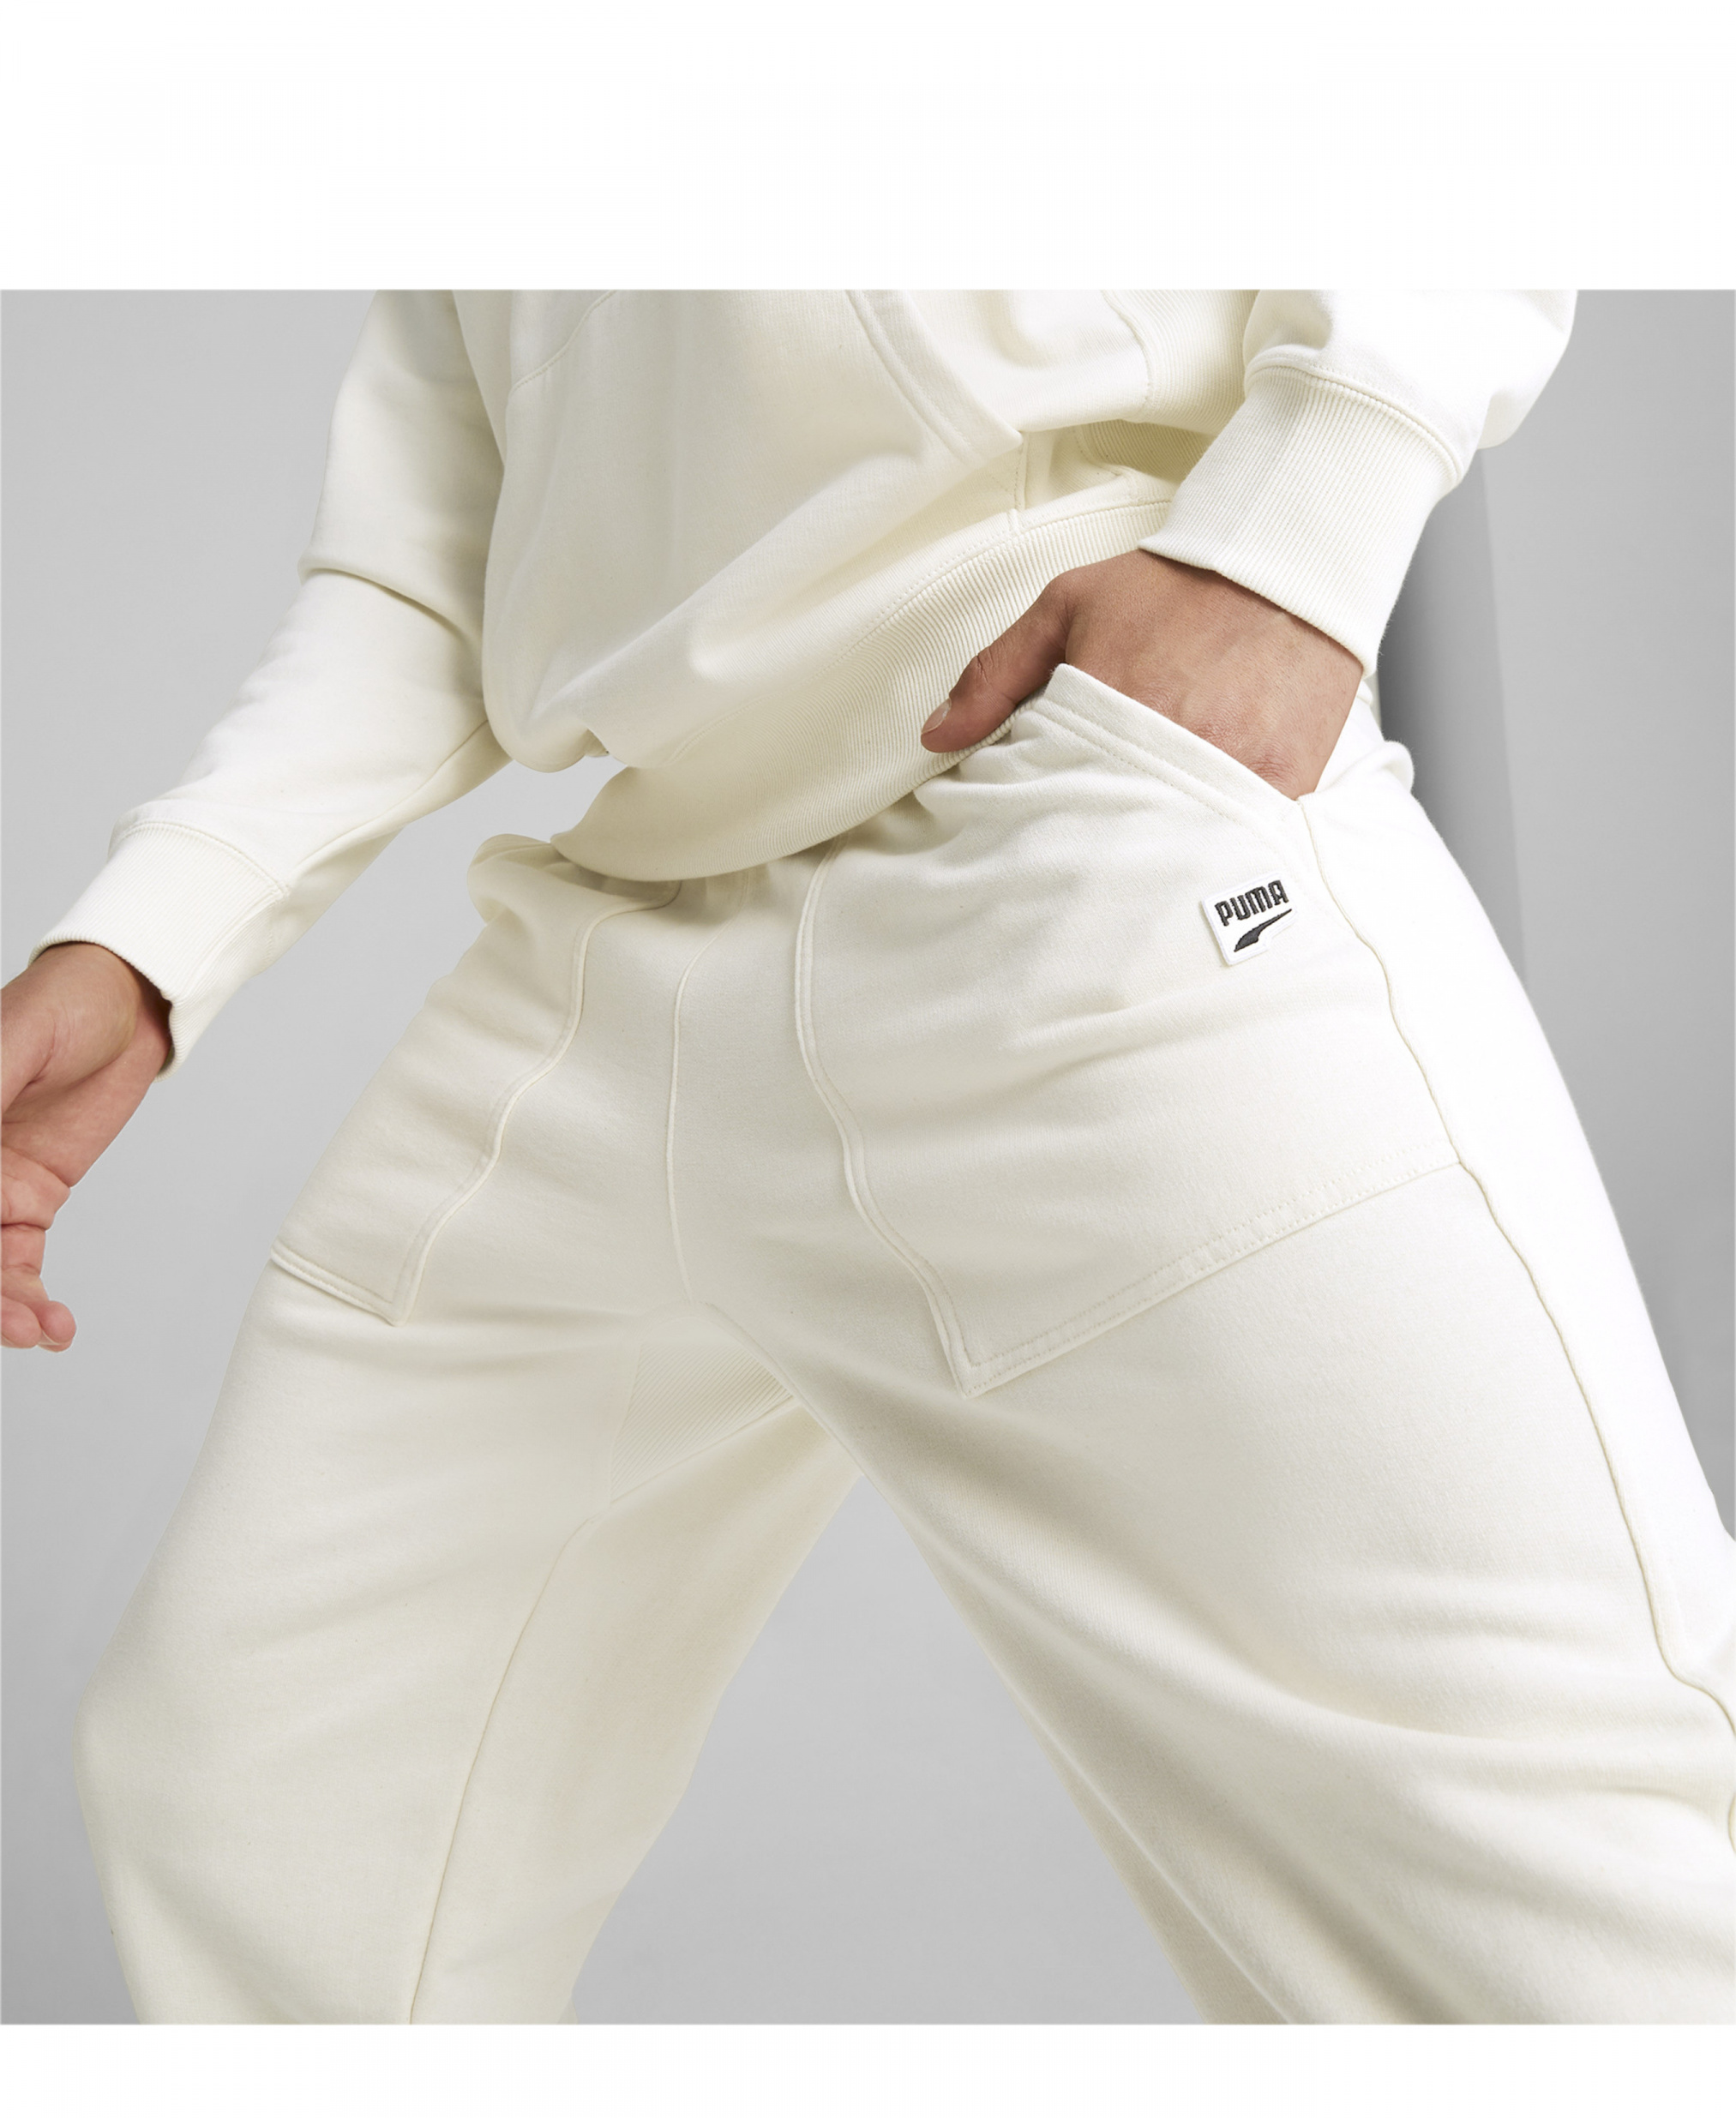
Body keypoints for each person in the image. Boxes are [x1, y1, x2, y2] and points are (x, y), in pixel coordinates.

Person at [3, 291, 1732, 2025]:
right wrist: (151, 941)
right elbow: (439, 544)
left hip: (1068, 835)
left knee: (1537, 1911)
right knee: (262, 1799)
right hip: (627, 940)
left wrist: (1291, 545)